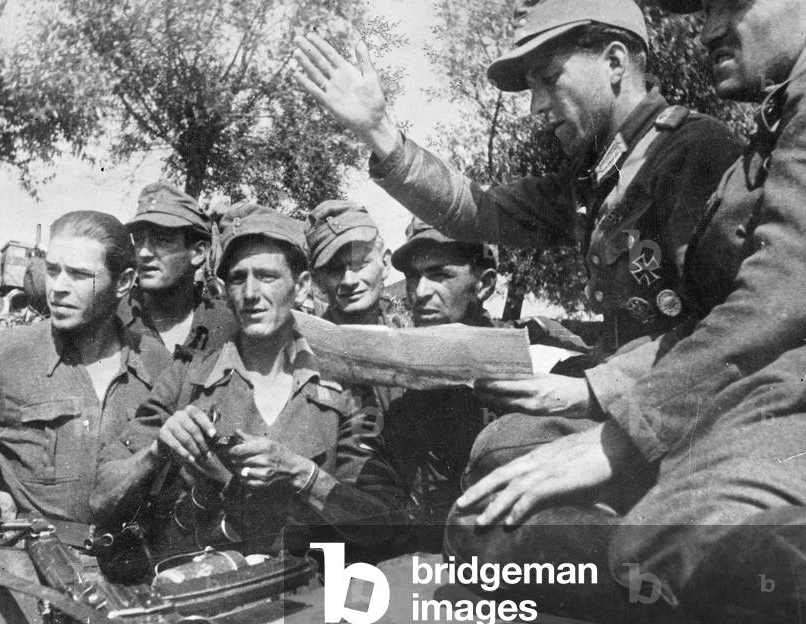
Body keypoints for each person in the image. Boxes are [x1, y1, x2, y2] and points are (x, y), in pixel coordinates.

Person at [447, 0, 806, 624]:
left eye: (733, 2)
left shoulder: (701, 148)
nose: (706, 28)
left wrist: (620, 426)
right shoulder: (768, 127)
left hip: (762, 393)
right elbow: (713, 316)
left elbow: (771, 300)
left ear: (615, 64)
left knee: (660, 539)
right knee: (491, 499)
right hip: (722, 388)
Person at [293, 0, 741, 472]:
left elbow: (731, 331)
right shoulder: (592, 179)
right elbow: (478, 213)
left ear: (614, 62)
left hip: (689, 416)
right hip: (642, 397)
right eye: (531, 89)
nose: (536, 107)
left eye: (549, 80)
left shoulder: (692, 151)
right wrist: (378, 131)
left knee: (501, 455)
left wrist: (592, 388)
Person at [92, 203, 405, 558]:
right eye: (239, 278)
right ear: (225, 290)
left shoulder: (344, 387)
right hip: (204, 590)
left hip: (307, 597)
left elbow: (385, 524)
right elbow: (102, 497)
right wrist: (155, 453)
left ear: (301, 286)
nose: (252, 294)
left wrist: (302, 474)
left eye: (268, 276)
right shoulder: (187, 376)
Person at [0, 211, 162, 624]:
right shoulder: (5, 356)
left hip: (131, 582)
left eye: (79, 274)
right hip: (30, 586)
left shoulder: (156, 365)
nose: (59, 287)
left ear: (125, 281)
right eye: (52, 270)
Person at [381, 218, 499, 549]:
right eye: (412, 277)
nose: (419, 292)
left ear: (484, 285)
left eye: (440, 275)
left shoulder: (534, 358)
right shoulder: (394, 375)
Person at [119, 182, 235, 373]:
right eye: (139, 239)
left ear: (198, 253)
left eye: (162, 240)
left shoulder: (227, 327)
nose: (145, 252)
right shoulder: (111, 322)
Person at [305, 199, 395, 326]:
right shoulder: (305, 345)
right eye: (335, 270)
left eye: (360, 264)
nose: (349, 280)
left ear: (385, 264)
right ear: (319, 280)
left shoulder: (409, 343)